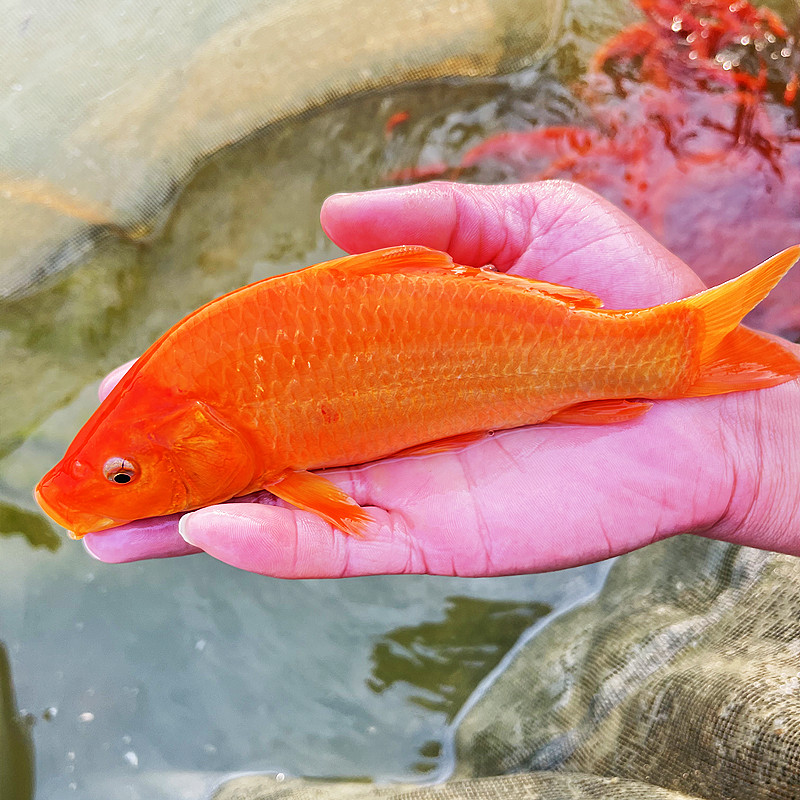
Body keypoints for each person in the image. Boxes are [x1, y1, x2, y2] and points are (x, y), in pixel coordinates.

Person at [83, 180, 800, 576]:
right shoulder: (196, 371)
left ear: (199, 433)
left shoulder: (212, 372)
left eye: (123, 475)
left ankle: (696, 358)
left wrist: (755, 446)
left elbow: (329, 502)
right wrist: (755, 450)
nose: (118, 485)